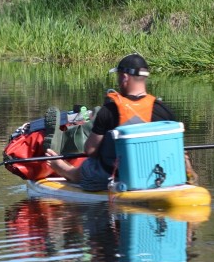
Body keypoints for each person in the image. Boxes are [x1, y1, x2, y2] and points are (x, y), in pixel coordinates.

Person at [46, 53, 197, 191]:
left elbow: (90, 150)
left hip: (117, 176)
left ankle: (66, 170)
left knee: (89, 165)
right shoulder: (164, 110)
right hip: (157, 173)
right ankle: (185, 175)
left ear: (125, 77)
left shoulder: (109, 111)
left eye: (118, 76)